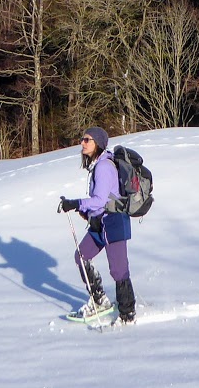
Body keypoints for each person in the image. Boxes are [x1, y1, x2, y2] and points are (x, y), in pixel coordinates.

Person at [58, 126, 135, 323]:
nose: (82, 143)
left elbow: (100, 200)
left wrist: (76, 203)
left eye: (87, 140)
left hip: (114, 222)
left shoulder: (104, 167)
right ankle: (99, 300)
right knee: (81, 256)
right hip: (100, 223)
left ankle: (127, 315)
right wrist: (84, 211)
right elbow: (101, 200)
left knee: (119, 270)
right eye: (82, 139)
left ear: (98, 143)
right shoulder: (97, 165)